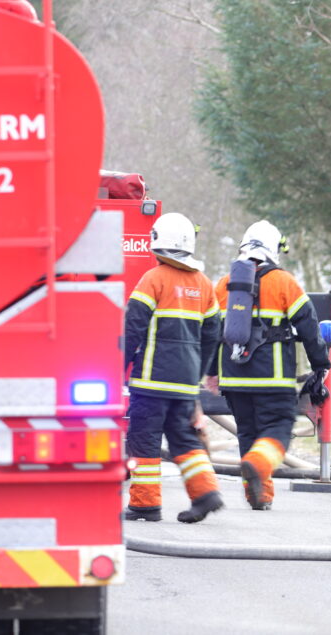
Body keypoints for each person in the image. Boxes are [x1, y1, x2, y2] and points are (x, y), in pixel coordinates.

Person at [205, 220, 330, 510]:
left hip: (234, 379)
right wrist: (320, 364)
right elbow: (309, 325)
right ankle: (259, 468)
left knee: (247, 433)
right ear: (273, 249)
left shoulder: (224, 284)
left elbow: (211, 332)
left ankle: (258, 495)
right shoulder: (283, 281)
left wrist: (211, 372)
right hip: (272, 379)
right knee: (279, 427)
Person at [124, 212, 224, 523]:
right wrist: (198, 374)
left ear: (157, 242)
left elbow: (132, 327)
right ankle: (206, 494)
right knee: (184, 439)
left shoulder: (153, 279)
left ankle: (145, 505)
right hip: (184, 385)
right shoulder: (204, 285)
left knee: (144, 440)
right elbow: (213, 335)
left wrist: (117, 367)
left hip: (151, 383)